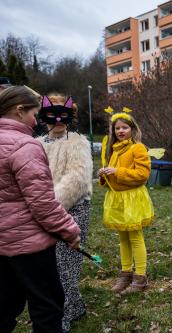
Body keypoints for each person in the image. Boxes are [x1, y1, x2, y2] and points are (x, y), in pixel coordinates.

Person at [0, 86, 81, 333]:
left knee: (5, 305)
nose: (36, 120)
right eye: (35, 113)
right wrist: (69, 230)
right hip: (28, 243)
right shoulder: (25, 145)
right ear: (19, 110)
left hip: (3, 242)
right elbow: (42, 203)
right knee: (47, 307)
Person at [37, 94, 93, 332]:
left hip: (72, 209)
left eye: (63, 114)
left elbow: (77, 179)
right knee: (48, 266)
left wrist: (50, 206)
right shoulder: (36, 144)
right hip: (41, 210)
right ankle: (76, 305)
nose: (57, 119)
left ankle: (63, 315)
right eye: (52, 114)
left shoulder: (78, 142)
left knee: (65, 265)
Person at [98, 112, 154, 294]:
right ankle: (125, 274)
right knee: (123, 238)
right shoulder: (112, 148)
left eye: (125, 127)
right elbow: (111, 175)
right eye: (117, 128)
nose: (121, 131)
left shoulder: (137, 148)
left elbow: (143, 175)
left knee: (135, 237)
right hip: (117, 199)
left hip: (132, 198)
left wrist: (118, 172)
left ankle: (140, 277)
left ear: (132, 129)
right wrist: (105, 175)